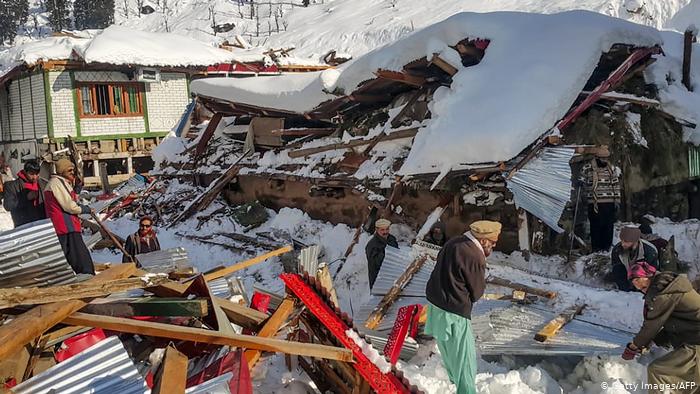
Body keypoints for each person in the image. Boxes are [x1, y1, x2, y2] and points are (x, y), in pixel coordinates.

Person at [425, 220, 502, 394]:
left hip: (436, 303)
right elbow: (476, 293)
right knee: (464, 359)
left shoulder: (453, 242)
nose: (494, 246)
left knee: (449, 353)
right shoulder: (475, 255)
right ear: (483, 240)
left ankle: (456, 383)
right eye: (493, 242)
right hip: (454, 311)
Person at [622, 262, 700, 392]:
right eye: (633, 281)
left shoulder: (663, 293)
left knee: (657, 370)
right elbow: (673, 325)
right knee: (690, 385)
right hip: (694, 339)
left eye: (638, 279)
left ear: (649, 276)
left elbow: (651, 325)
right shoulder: (669, 288)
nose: (636, 285)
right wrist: (654, 341)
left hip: (696, 342)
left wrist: (633, 346)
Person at [44, 158, 95, 275]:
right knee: (79, 254)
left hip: (66, 226)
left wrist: (77, 190)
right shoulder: (56, 183)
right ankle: (86, 275)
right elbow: (69, 206)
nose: (72, 172)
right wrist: (84, 209)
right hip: (66, 226)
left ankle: (77, 274)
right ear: (62, 171)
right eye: (69, 170)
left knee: (70, 254)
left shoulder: (62, 183)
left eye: (73, 170)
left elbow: (70, 200)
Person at [579, 154, 621, 251]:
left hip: (609, 202)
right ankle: (596, 248)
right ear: (597, 158)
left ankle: (606, 248)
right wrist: (581, 182)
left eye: (606, 158)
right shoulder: (587, 168)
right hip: (594, 203)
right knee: (596, 225)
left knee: (608, 226)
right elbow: (581, 179)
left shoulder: (611, 168)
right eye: (603, 159)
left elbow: (616, 184)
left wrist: (617, 201)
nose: (605, 161)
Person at [610, 225, 658, 291]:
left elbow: (652, 273)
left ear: (635, 241)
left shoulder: (649, 251)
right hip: (626, 278)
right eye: (622, 241)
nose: (623, 244)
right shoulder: (617, 250)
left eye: (626, 241)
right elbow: (617, 270)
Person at [3, 160, 45, 227]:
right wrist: (26, 198)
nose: (34, 177)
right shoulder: (11, 186)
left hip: (42, 222)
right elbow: (8, 206)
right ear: (25, 172)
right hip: (24, 225)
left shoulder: (43, 183)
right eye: (31, 174)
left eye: (37, 174)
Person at [365, 218, 398, 289]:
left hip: (392, 276)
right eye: (382, 230)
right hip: (379, 280)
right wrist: (386, 251)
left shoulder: (392, 239)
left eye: (387, 229)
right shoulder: (372, 245)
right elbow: (374, 264)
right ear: (377, 230)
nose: (385, 232)